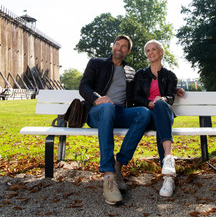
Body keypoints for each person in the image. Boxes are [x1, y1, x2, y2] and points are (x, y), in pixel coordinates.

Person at [79, 35, 150, 205]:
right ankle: (109, 176)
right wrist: (97, 98)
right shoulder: (96, 63)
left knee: (144, 113)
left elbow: (139, 94)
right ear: (113, 46)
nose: (119, 48)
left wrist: (171, 89)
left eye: (123, 46)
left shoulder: (130, 71)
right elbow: (84, 86)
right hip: (98, 111)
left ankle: (118, 165)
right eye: (117, 44)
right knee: (107, 107)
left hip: (118, 112)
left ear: (128, 51)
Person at [133, 40, 184, 198]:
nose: (150, 53)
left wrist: (162, 98)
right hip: (147, 115)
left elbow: (170, 97)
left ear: (161, 52)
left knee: (161, 104)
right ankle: (169, 171)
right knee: (158, 109)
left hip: (164, 113)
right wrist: (149, 102)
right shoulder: (140, 75)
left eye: (154, 49)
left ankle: (168, 166)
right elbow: (135, 96)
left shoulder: (169, 76)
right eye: (147, 50)